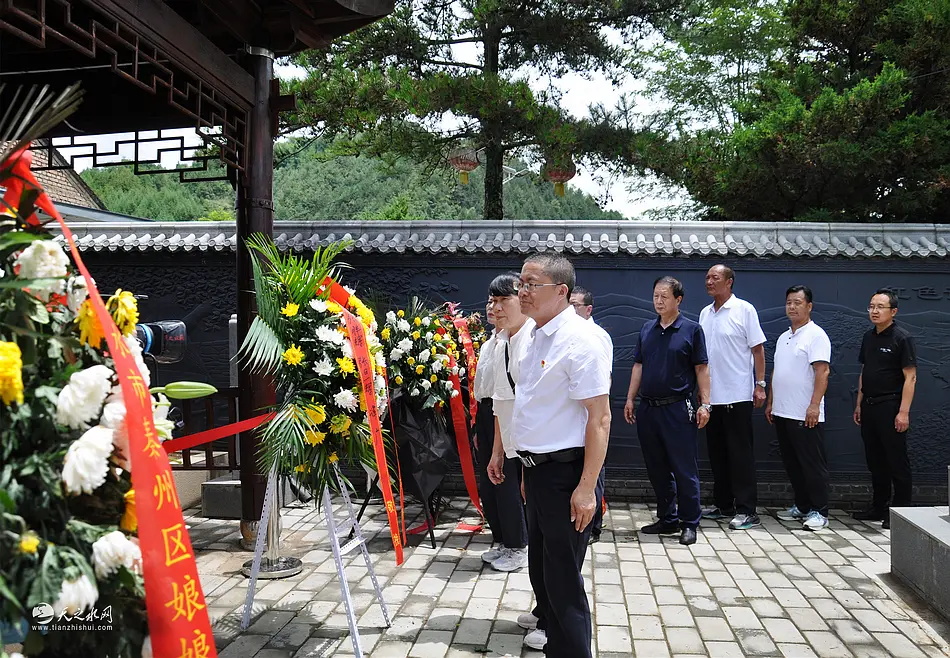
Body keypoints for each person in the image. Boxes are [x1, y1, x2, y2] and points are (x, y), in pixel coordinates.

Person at [490, 254, 610, 658]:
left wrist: (587, 489)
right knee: (543, 573)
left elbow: (600, 418)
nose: (522, 292)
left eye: (530, 285)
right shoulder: (537, 334)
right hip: (538, 472)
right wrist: (526, 468)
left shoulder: (581, 340)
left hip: (568, 476)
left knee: (563, 581)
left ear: (561, 292)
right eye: (521, 283)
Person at [623, 276, 710, 546]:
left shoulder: (691, 330)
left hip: (677, 409)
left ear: (678, 299)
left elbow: (701, 368)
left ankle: (689, 523)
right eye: (656, 296)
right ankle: (667, 518)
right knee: (657, 468)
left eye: (664, 296)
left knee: (684, 469)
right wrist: (630, 399)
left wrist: (705, 403)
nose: (658, 301)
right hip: (649, 408)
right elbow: (638, 365)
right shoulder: (647, 329)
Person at [699, 265, 767, 530]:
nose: (709, 281)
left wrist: (760, 384)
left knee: (740, 455)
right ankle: (724, 504)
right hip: (711, 398)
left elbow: (758, 350)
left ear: (729, 282)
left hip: (737, 395)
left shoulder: (744, 310)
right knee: (717, 454)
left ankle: (748, 509)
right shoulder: (706, 313)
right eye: (707, 277)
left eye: (715, 277)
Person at [766, 285, 832, 531]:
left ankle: (820, 511)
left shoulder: (816, 335)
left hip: (806, 414)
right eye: (789, 303)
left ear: (809, 306)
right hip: (783, 412)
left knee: (812, 464)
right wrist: (771, 402)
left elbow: (822, 372)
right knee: (793, 464)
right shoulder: (785, 337)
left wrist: (814, 405)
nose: (792, 307)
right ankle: (802, 506)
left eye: (797, 302)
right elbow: (778, 372)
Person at [853, 288, 917, 530]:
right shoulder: (868, 337)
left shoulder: (902, 338)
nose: (875, 311)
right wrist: (859, 402)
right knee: (875, 460)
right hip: (869, 405)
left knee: (896, 461)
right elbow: (864, 371)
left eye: (880, 307)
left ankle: (900, 512)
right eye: (871, 306)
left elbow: (910, 378)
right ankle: (878, 506)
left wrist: (903, 412)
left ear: (894, 311)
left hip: (891, 406)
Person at [482, 272, 531, 571]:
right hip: (502, 423)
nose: (496, 308)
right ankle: (505, 541)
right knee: (496, 487)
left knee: (514, 491)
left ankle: (518, 546)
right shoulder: (501, 341)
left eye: (503, 300)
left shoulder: (530, 340)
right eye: (493, 301)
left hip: (526, 434)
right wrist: (498, 448)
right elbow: (499, 398)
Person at [570, 285, 613, 543]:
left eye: (575, 305)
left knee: (593, 469)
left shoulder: (595, 335)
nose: (570, 309)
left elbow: (602, 381)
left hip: (592, 413)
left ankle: (593, 525)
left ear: (588, 309)